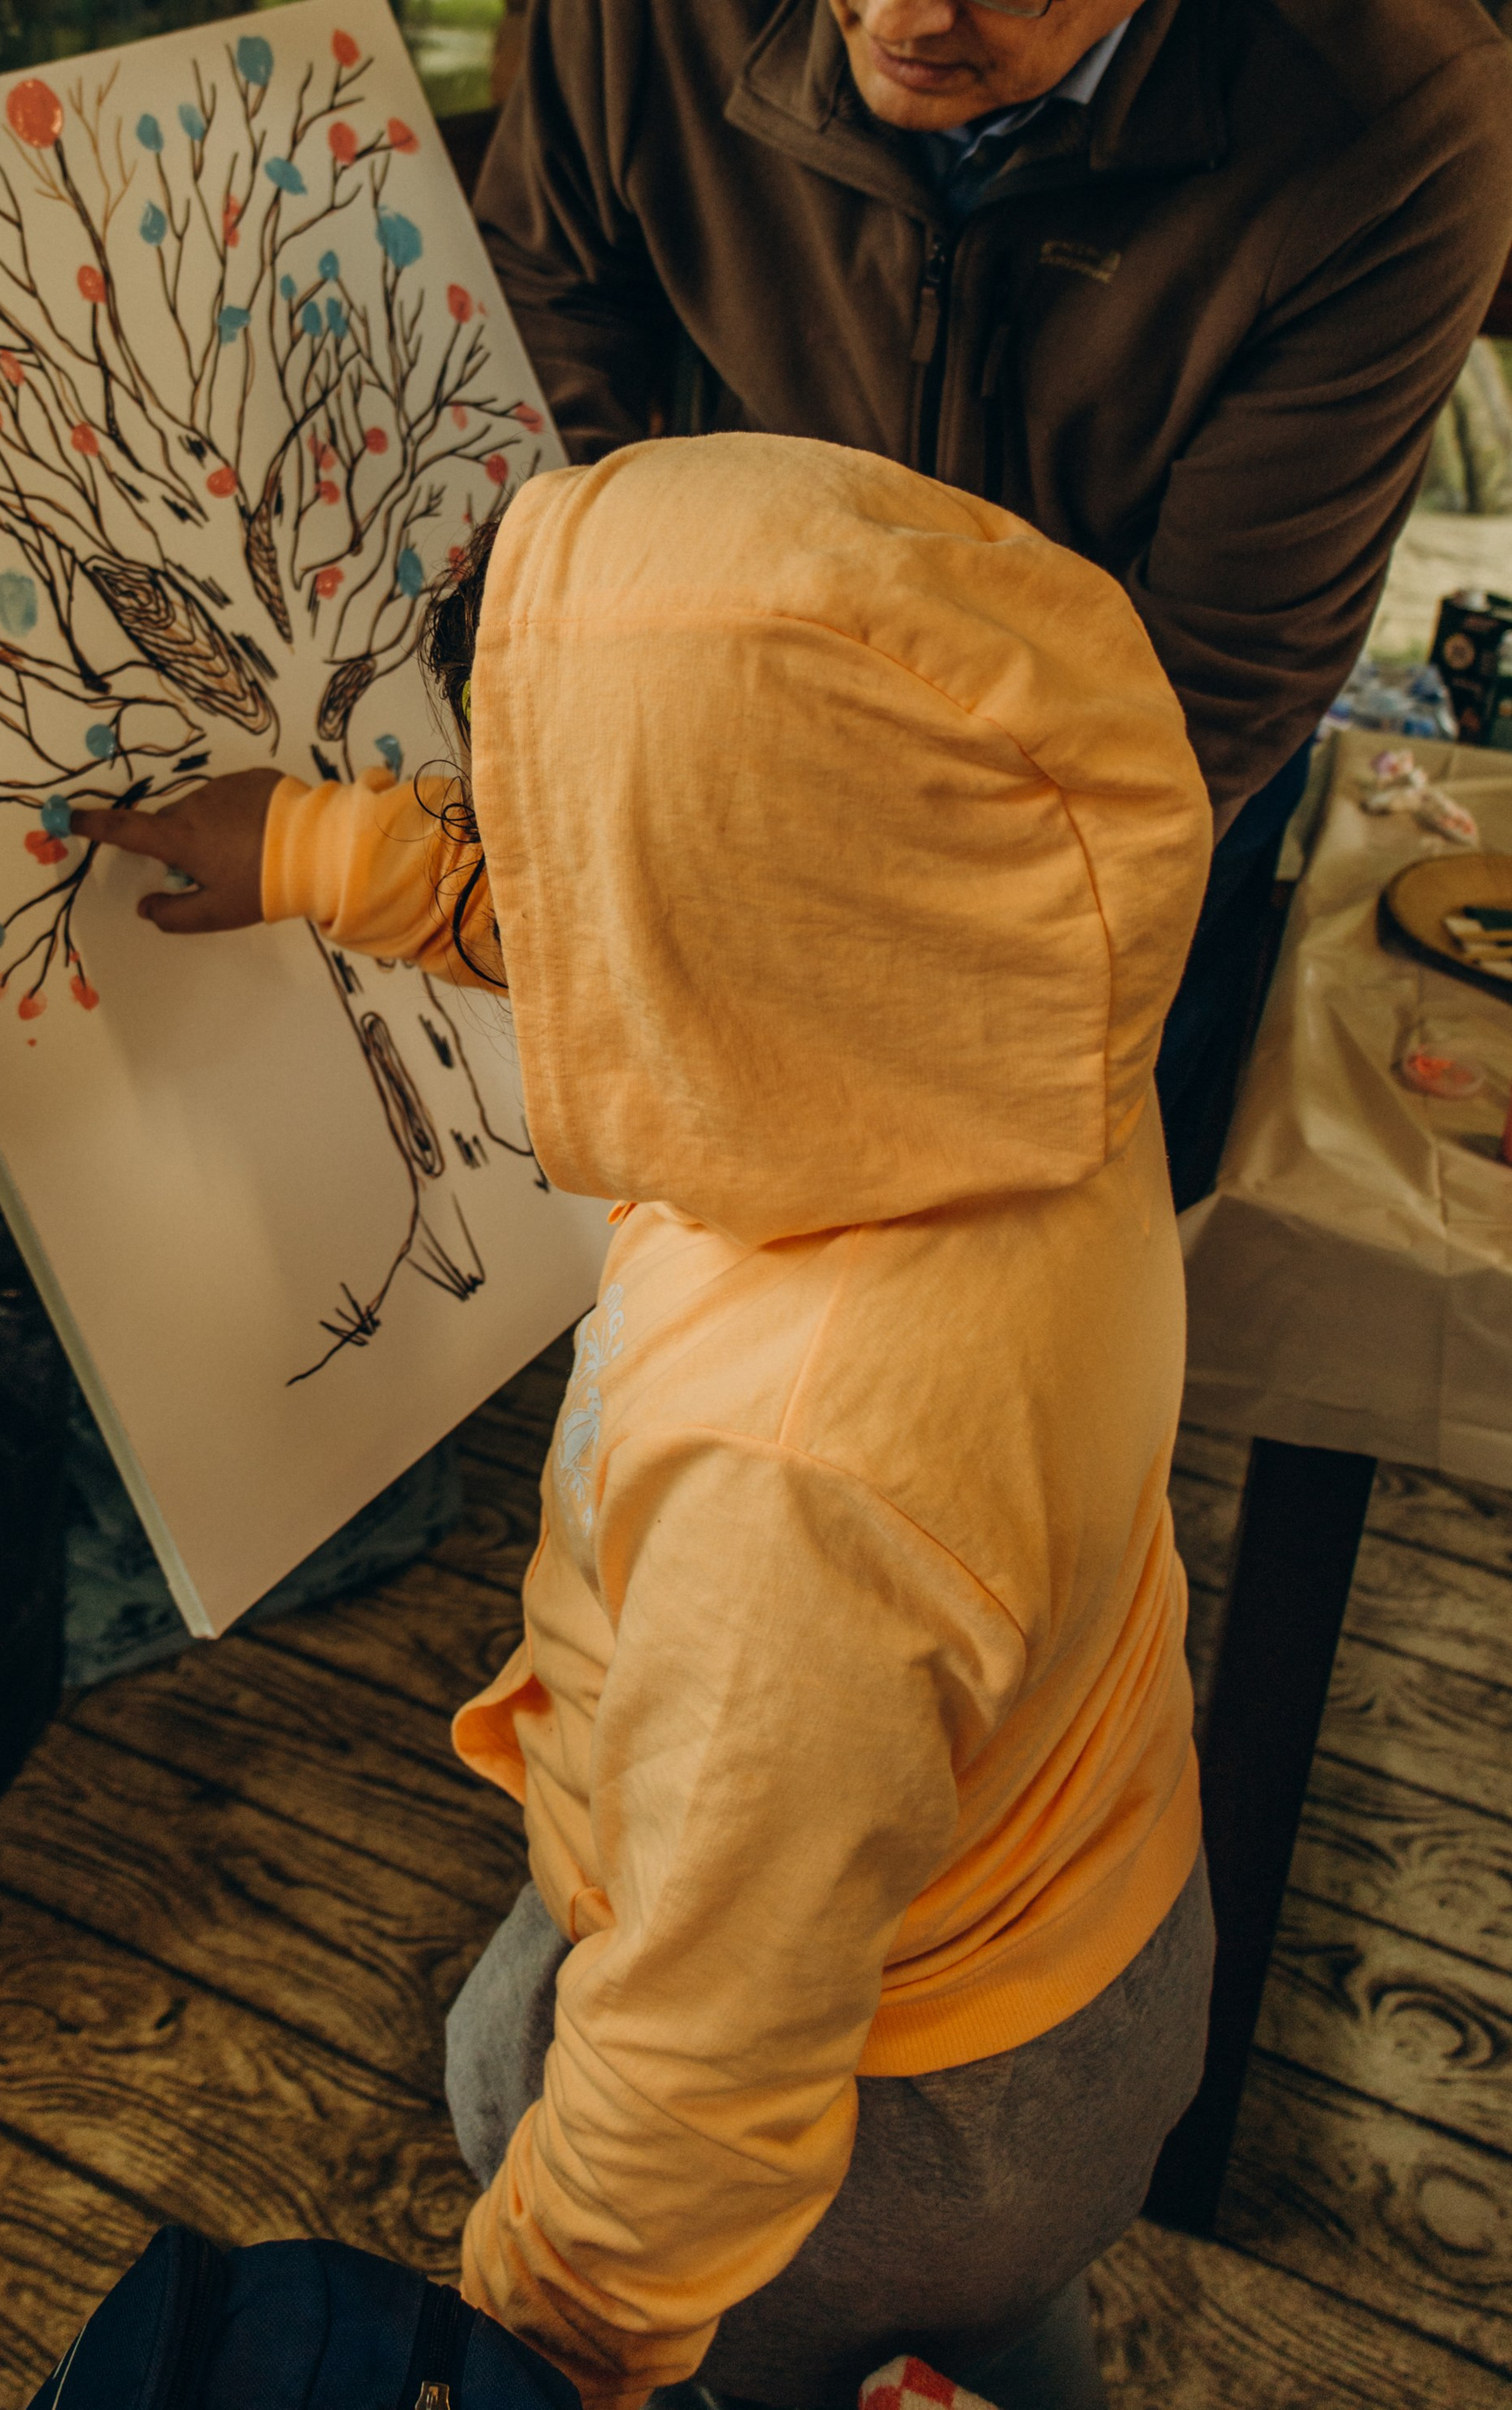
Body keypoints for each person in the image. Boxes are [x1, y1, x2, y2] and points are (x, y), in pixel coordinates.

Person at [76, 430, 1216, 2410]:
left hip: (894, 2123)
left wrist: (537, 2347)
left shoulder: (802, 1477)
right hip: (1093, 1919)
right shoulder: (1008, 1021)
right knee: (1005, 2349)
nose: (521, 867)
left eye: (534, 819)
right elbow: (657, 916)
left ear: (707, 920)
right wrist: (331, 854)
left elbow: (706, 2050)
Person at [474, 0, 1512, 1189]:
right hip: (719, 705)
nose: (887, 4)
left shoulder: (1397, 121)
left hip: (1094, 781)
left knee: (1022, 1234)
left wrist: (880, 954)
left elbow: (1211, 685)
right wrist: (621, 692)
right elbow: (540, 304)